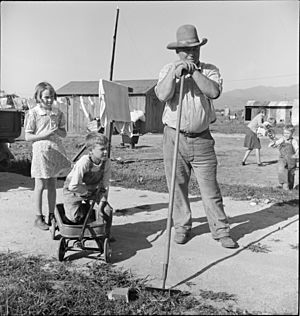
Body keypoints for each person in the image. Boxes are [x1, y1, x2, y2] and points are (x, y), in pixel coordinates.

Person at [155, 24, 238, 248]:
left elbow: (214, 92)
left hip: (202, 138)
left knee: (210, 189)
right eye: (186, 49)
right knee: (177, 187)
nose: (191, 53)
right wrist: (175, 74)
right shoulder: (167, 70)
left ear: (200, 49)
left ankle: (221, 231)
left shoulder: (210, 70)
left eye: (195, 48)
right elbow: (162, 95)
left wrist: (194, 72)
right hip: (174, 138)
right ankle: (182, 227)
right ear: (177, 52)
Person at [24, 82, 71, 230]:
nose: (49, 100)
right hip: (41, 152)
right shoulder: (34, 113)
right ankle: (38, 217)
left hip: (55, 150)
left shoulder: (57, 113)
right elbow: (27, 136)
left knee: (52, 184)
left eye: (51, 97)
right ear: (38, 97)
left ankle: (52, 215)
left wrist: (57, 131)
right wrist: (45, 134)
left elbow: (64, 133)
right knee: (40, 184)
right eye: (46, 97)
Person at [63, 132, 113, 237]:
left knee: (107, 210)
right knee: (74, 218)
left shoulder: (106, 162)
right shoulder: (84, 162)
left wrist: (103, 201)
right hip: (74, 190)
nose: (105, 152)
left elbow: (105, 184)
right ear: (91, 150)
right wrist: (86, 193)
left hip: (93, 189)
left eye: (106, 148)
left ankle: (105, 234)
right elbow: (73, 186)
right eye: (102, 149)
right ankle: (83, 209)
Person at [268, 124, 299, 190]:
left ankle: (290, 187)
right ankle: (285, 186)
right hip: (283, 159)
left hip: (291, 160)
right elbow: (277, 143)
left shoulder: (293, 141)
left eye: (288, 133)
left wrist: (296, 153)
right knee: (281, 171)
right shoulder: (282, 139)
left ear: (292, 133)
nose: (286, 134)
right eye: (284, 133)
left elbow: (297, 148)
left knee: (291, 174)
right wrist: (273, 144)